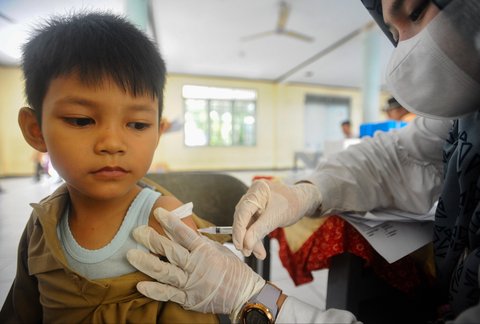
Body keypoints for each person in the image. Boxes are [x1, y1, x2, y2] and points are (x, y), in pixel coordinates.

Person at [126, 0, 480, 323]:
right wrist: (306, 192)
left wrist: (255, 299)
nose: (111, 143)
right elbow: (400, 156)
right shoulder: (466, 119)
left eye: (416, 11)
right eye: (80, 119)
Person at [0, 12, 219, 323]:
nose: (112, 143)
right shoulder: (42, 224)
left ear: (158, 130)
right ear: (36, 130)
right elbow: (21, 309)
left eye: (138, 124)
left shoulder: (166, 223)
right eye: (81, 120)